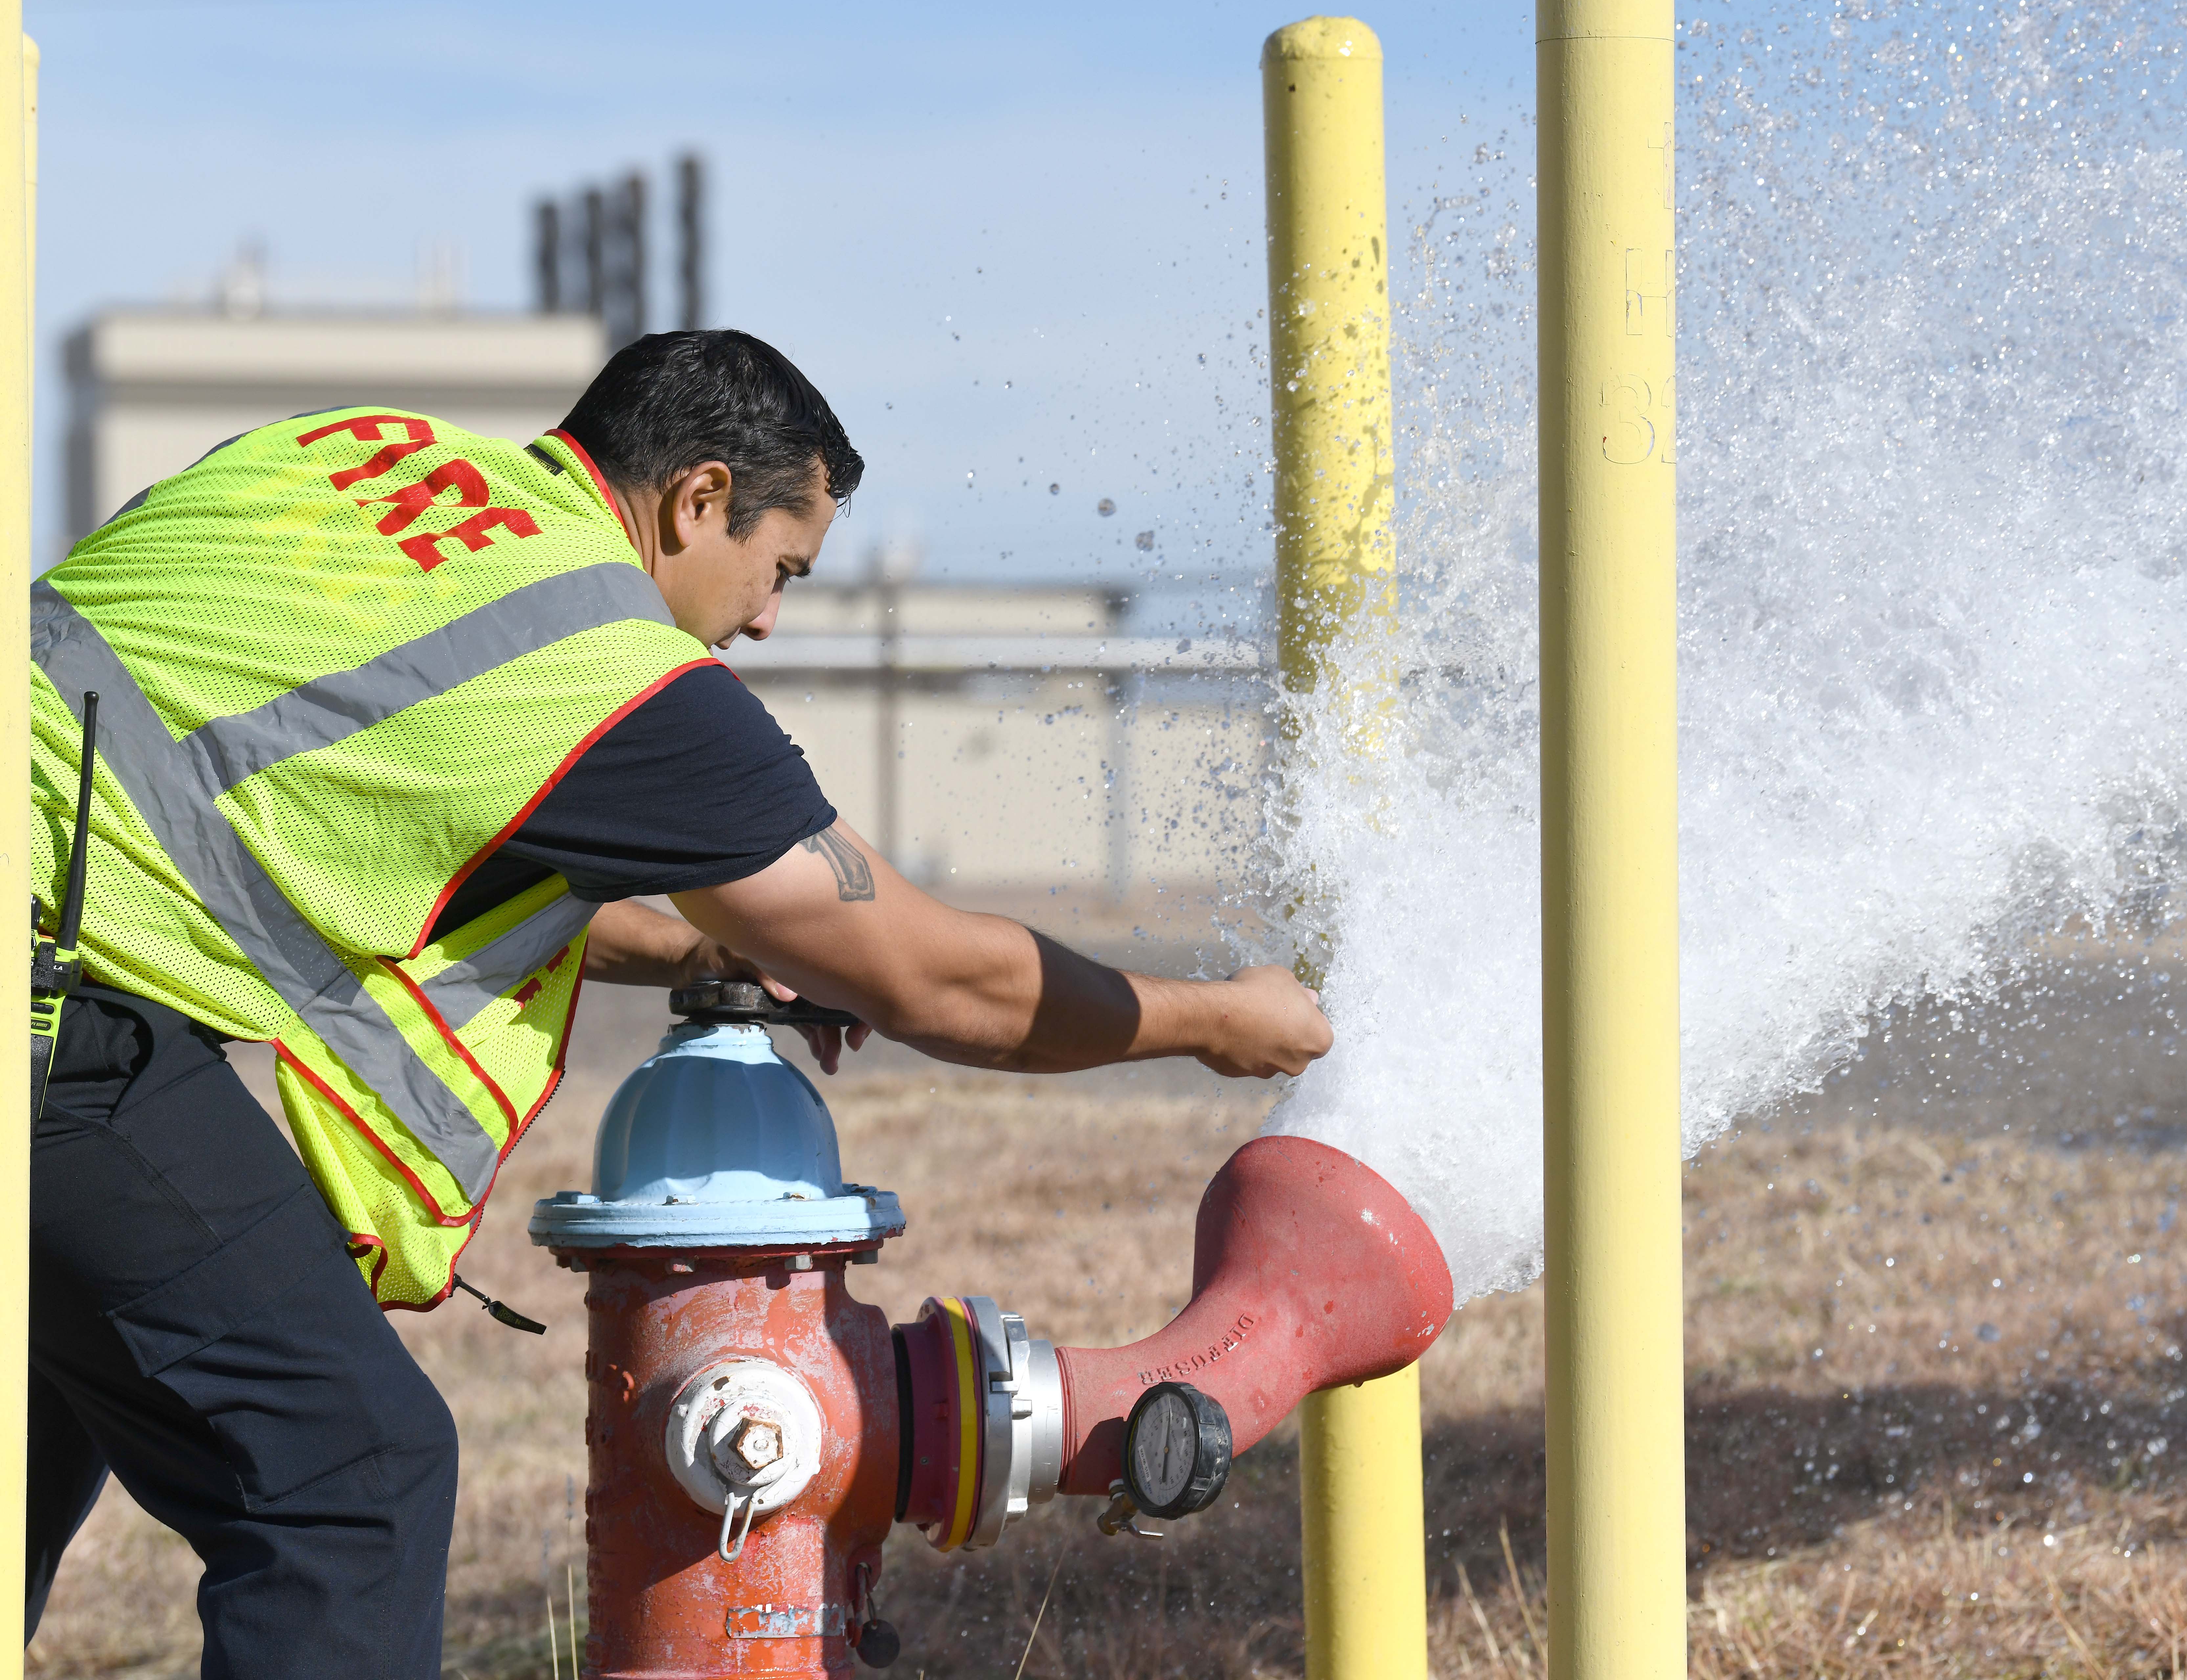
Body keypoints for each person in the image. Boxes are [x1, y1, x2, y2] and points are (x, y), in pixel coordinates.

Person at [23, 329, 1331, 1676]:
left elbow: (307, 805)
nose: (764, 618)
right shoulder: (608, 660)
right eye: (779, 569)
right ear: (697, 498)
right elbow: (946, 977)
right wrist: (1222, 1020)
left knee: (47, 1397)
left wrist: (705, 954)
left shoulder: (352, 458)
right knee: (353, 1473)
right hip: (51, 1017)